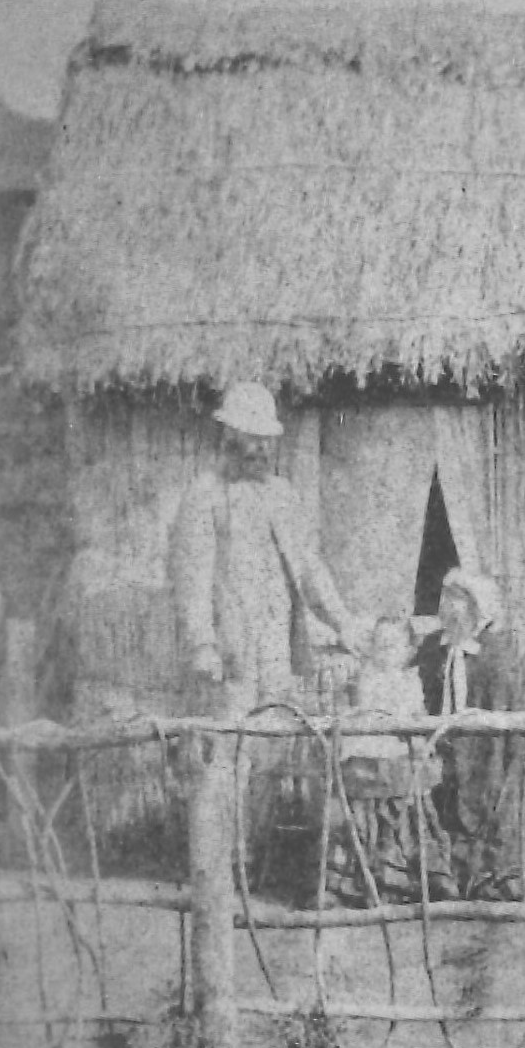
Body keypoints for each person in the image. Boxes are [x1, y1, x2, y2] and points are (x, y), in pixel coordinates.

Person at [169, 380, 363, 891]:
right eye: (248, 437)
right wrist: (202, 645)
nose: (258, 447)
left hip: (277, 646)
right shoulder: (203, 496)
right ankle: (218, 869)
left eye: (265, 438)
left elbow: (310, 568)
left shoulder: (282, 496)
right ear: (227, 434)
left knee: (271, 756)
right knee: (226, 757)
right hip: (230, 652)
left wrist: (343, 622)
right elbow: (190, 579)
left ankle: (252, 862)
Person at [413, 567, 525, 898]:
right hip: (444, 745)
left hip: (491, 748)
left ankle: (497, 874)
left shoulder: (495, 654)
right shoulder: (433, 648)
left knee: (499, 795)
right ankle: (444, 873)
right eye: (445, 598)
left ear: (479, 608)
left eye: (459, 601)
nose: (449, 607)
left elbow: (509, 709)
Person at [325, 616, 454, 904]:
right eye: (379, 645)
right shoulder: (365, 679)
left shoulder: (409, 682)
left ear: (408, 651)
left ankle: (405, 876)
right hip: (369, 747)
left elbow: (416, 719)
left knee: (404, 782)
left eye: (392, 646)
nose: (384, 652)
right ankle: (353, 879)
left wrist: (418, 740)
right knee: (359, 778)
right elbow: (357, 714)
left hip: (398, 747)